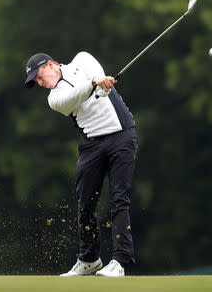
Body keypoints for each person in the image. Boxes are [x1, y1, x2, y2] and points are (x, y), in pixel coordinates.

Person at [24, 52, 138, 277]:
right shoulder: (54, 99)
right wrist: (95, 82)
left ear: (51, 65)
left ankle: (119, 262)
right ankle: (89, 259)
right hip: (92, 144)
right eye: (36, 82)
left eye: (39, 76)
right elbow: (75, 96)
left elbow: (103, 90)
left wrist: (102, 84)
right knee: (86, 203)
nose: (40, 83)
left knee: (119, 199)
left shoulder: (83, 59)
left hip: (121, 136)